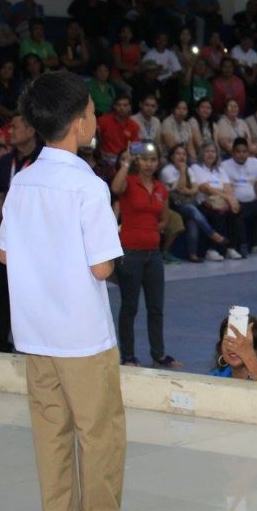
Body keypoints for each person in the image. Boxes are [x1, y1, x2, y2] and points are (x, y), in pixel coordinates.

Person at [0, 71, 156, 511]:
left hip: (35, 331)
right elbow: (102, 266)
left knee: (51, 431)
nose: (94, 118)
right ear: (75, 123)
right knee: (99, 431)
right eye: (90, 111)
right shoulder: (87, 185)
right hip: (82, 335)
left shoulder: (23, 179)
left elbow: (5, 255)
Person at [110, 141, 180, 369]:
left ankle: (158, 354)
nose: (149, 164)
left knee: (156, 307)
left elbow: (164, 219)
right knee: (129, 306)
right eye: (144, 159)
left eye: (152, 159)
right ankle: (127, 355)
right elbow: (115, 188)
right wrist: (126, 162)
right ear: (138, 160)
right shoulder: (129, 182)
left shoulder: (161, 188)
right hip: (130, 253)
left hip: (153, 255)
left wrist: (151, 231)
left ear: (158, 162)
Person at [0, 112, 42, 353]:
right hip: (9, 236)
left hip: (37, 239)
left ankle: (35, 343)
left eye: (15, 127)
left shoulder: (44, 160)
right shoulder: (7, 161)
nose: (10, 132)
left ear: (30, 130)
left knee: (33, 294)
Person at [160, 144, 227, 263]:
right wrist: (182, 172)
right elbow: (179, 187)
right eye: (178, 154)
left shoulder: (189, 169)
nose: (182, 156)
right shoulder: (167, 171)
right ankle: (212, 234)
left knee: (193, 217)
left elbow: (195, 189)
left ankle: (192, 254)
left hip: (186, 202)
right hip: (172, 204)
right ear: (171, 157)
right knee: (192, 210)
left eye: (184, 154)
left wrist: (187, 190)